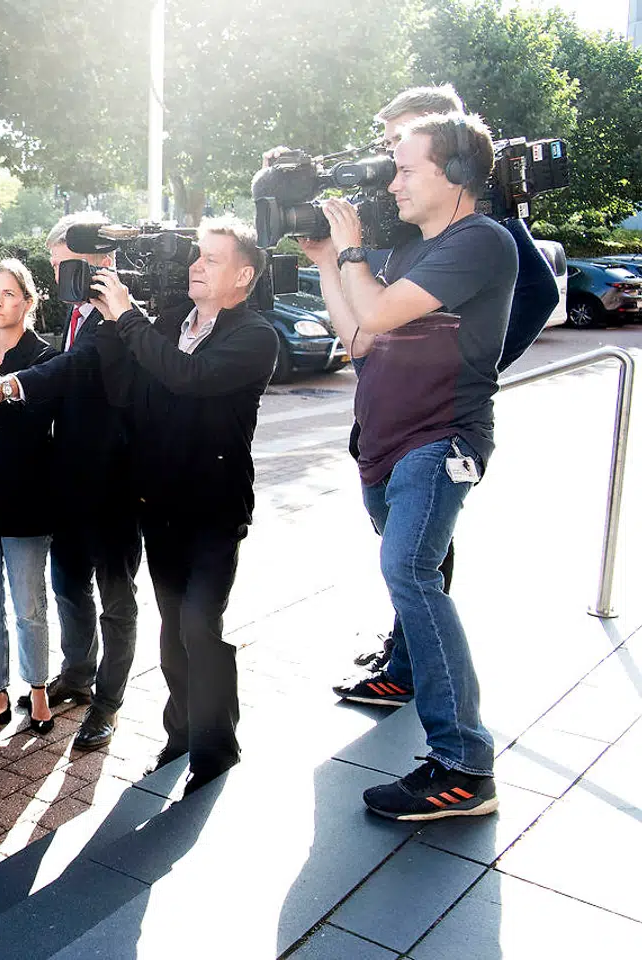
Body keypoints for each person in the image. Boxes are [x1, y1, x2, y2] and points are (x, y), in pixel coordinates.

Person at [301, 112, 514, 820]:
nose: (392, 183)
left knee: (410, 571)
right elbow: (359, 338)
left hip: (440, 438)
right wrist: (330, 261)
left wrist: (354, 251)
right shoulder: (404, 254)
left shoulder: (479, 241)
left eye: (406, 168)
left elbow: (384, 314)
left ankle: (463, 764)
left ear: (454, 174)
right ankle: (420, 696)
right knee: (409, 574)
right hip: (383, 443)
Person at [92, 218, 279, 792]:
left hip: (215, 510)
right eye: (197, 256)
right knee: (173, 630)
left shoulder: (256, 335)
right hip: (160, 504)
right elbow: (134, 387)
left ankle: (216, 748)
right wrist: (109, 325)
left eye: (212, 259)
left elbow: (187, 378)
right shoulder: (172, 320)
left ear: (243, 275)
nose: (197, 266)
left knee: (201, 625)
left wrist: (127, 318)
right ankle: (180, 734)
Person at [0, 213, 143, 753]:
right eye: (58, 263)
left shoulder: (121, 314)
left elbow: (70, 371)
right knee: (68, 586)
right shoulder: (76, 317)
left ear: (101, 258)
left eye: (69, 263)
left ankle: (107, 704)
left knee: (117, 599)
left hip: (113, 484)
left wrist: (8, 385)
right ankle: (77, 673)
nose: (62, 273)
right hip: (66, 485)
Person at [0, 259, 58, 741]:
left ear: (27, 301)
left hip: (26, 495)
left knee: (29, 603)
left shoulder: (45, 353)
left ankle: (37, 687)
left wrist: (6, 397)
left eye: (8, 294)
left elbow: (49, 412)